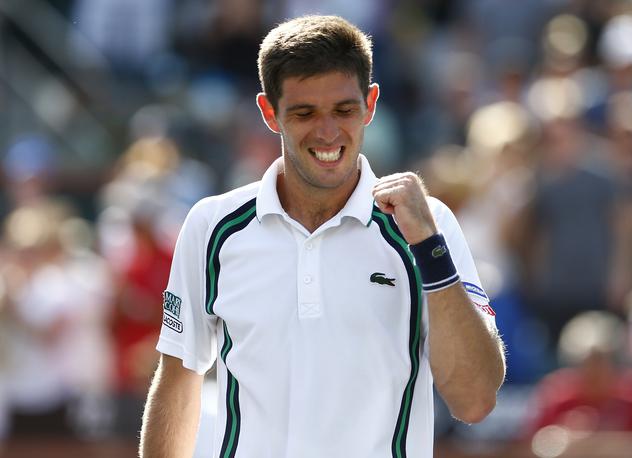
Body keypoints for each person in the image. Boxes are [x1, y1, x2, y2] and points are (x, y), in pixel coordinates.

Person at [139, 15, 505, 458]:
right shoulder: (212, 226)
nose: (328, 132)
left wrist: (429, 247)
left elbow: (475, 399)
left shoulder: (430, 227)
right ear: (269, 113)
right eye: (305, 112)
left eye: (344, 110)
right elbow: (179, 378)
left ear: (370, 104)